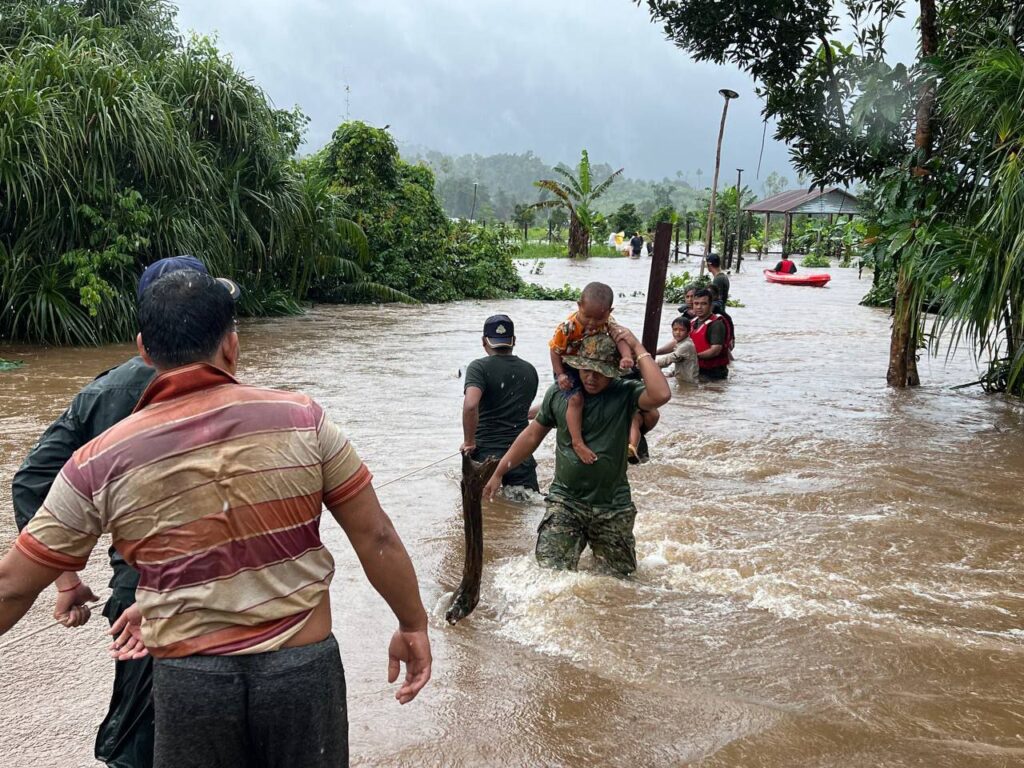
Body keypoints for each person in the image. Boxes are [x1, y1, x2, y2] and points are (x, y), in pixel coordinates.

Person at [0, 270, 431, 767]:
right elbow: (377, 536)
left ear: (144, 350)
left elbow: (12, 586)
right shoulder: (303, 419)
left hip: (190, 683)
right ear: (231, 344)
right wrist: (412, 624)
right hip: (301, 673)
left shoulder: (100, 459)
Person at [10, 255, 239, 768]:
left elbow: (31, 480)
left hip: (138, 589)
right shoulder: (234, 391)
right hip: (236, 592)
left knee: (145, 733)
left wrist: (65, 578)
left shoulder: (103, 393)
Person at [484, 329, 670, 575]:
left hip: (612, 506)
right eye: (585, 370)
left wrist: (636, 346)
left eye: (599, 372)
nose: (591, 378)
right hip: (565, 501)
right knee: (550, 575)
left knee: (619, 580)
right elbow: (532, 436)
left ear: (612, 370)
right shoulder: (561, 393)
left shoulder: (625, 393)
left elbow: (661, 394)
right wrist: (499, 472)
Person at [549, 282, 634, 465]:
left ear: (609, 312)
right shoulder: (567, 327)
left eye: (599, 318)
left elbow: (620, 339)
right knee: (576, 399)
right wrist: (561, 375)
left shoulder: (609, 322)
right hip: (567, 365)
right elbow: (555, 351)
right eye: (587, 316)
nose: (592, 323)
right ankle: (577, 442)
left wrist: (626, 356)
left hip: (595, 363)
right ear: (579, 306)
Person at [461, 314, 540, 492]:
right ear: (514, 341)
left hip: (486, 458)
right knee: (526, 504)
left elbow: (471, 406)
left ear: (484, 341)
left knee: (483, 506)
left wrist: (469, 442)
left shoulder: (478, 368)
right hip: (521, 457)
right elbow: (521, 410)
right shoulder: (529, 370)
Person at [690, 287, 732, 380]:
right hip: (696, 369)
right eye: (696, 303)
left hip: (713, 374)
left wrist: (692, 356)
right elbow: (675, 341)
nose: (699, 307)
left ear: (710, 305)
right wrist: (658, 351)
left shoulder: (716, 324)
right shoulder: (692, 322)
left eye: (703, 304)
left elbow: (715, 350)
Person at [655, 316, 698, 384]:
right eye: (675, 329)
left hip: (688, 383)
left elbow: (669, 359)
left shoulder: (686, 345)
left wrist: (650, 363)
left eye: (682, 330)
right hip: (684, 380)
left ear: (689, 332)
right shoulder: (682, 343)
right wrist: (671, 374)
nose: (677, 332)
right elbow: (681, 364)